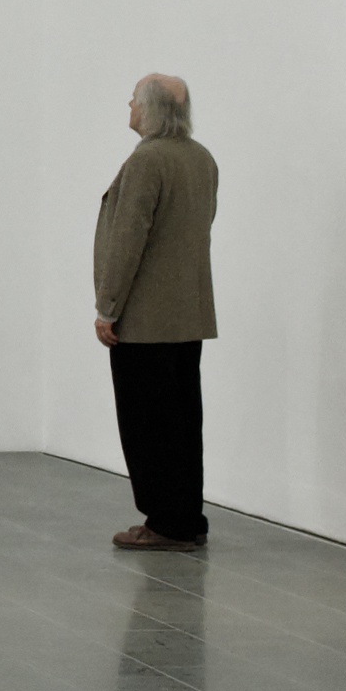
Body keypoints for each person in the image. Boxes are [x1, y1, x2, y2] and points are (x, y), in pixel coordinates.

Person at [92, 73, 218, 553]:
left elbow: (128, 240)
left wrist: (108, 308)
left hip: (144, 321)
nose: (129, 105)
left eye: (134, 99)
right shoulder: (201, 158)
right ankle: (186, 518)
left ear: (151, 110)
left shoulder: (147, 160)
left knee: (148, 426)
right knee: (183, 423)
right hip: (188, 317)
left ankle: (164, 522)